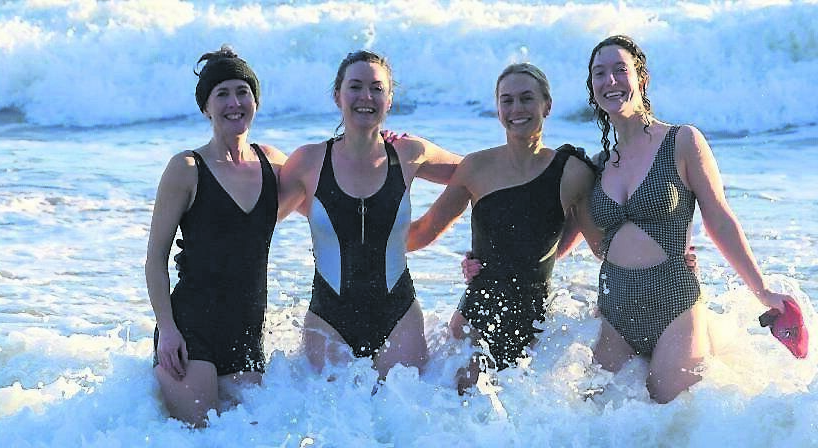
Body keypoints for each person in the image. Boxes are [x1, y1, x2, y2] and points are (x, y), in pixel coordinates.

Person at [584, 35, 796, 403]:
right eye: (599, 73)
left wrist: (762, 290)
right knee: (598, 420)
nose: (610, 81)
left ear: (641, 78)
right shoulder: (599, 164)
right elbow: (571, 235)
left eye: (621, 70)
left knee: (675, 421)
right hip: (615, 310)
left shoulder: (682, 141)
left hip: (674, 306)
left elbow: (720, 219)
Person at [407, 63, 598, 392]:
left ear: (547, 105)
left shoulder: (572, 172)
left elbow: (600, 246)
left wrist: (666, 250)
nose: (516, 109)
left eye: (526, 98)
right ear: (497, 109)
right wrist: (361, 240)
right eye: (506, 100)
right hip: (474, 325)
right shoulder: (476, 167)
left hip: (536, 328)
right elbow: (424, 231)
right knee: (462, 416)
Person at [277, 50, 461, 380]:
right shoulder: (308, 162)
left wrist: (436, 227)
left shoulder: (409, 153)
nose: (366, 97)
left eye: (377, 88)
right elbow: (255, 220)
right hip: (328, 319)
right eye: (356, 87)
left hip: (399, 315)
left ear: (389, 99)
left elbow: (477, 175)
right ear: (338, 96)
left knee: (406, 417)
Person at [146, 45, 287, 427]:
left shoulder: (273, 163)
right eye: (221, 94)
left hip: (245, 331)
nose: (234, 102)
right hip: (192, 330)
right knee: (202, 432)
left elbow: (329, 189)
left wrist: (378, 143)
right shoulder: (186, 168)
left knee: (246, 434)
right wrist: (169, 332)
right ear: (206, 107)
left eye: (242, 91)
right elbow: (155, 258)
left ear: (255, 100)